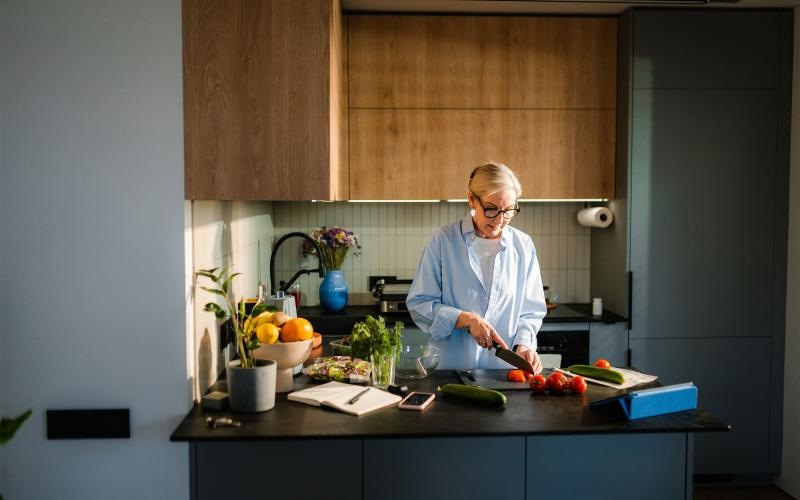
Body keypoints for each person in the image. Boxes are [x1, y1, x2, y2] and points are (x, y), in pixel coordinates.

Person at [406, 162, 547, 373]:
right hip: (450, 370)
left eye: (508, 210)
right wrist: (464, 319)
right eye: (491, 209)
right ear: (471, 199)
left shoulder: (523, 245)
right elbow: (420, 304)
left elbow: (531, 312)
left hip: (504, 371)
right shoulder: (443, 241)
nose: (500, 220)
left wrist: (524, 344)